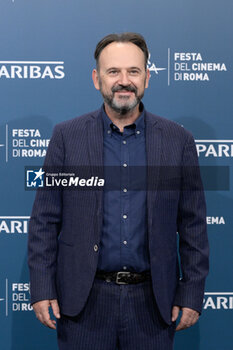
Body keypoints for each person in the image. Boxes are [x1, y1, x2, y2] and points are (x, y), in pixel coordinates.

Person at [28, 32, 209, 350]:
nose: (123, 81)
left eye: (133, 71)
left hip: (153, 307)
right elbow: (44, 221)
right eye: (113, 72)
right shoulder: (66, 137)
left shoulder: (177, 141)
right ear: (97, 79)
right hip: (84, 306)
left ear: (147, 78)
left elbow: (193, 225)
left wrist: (191, 294)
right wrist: (42, 288)